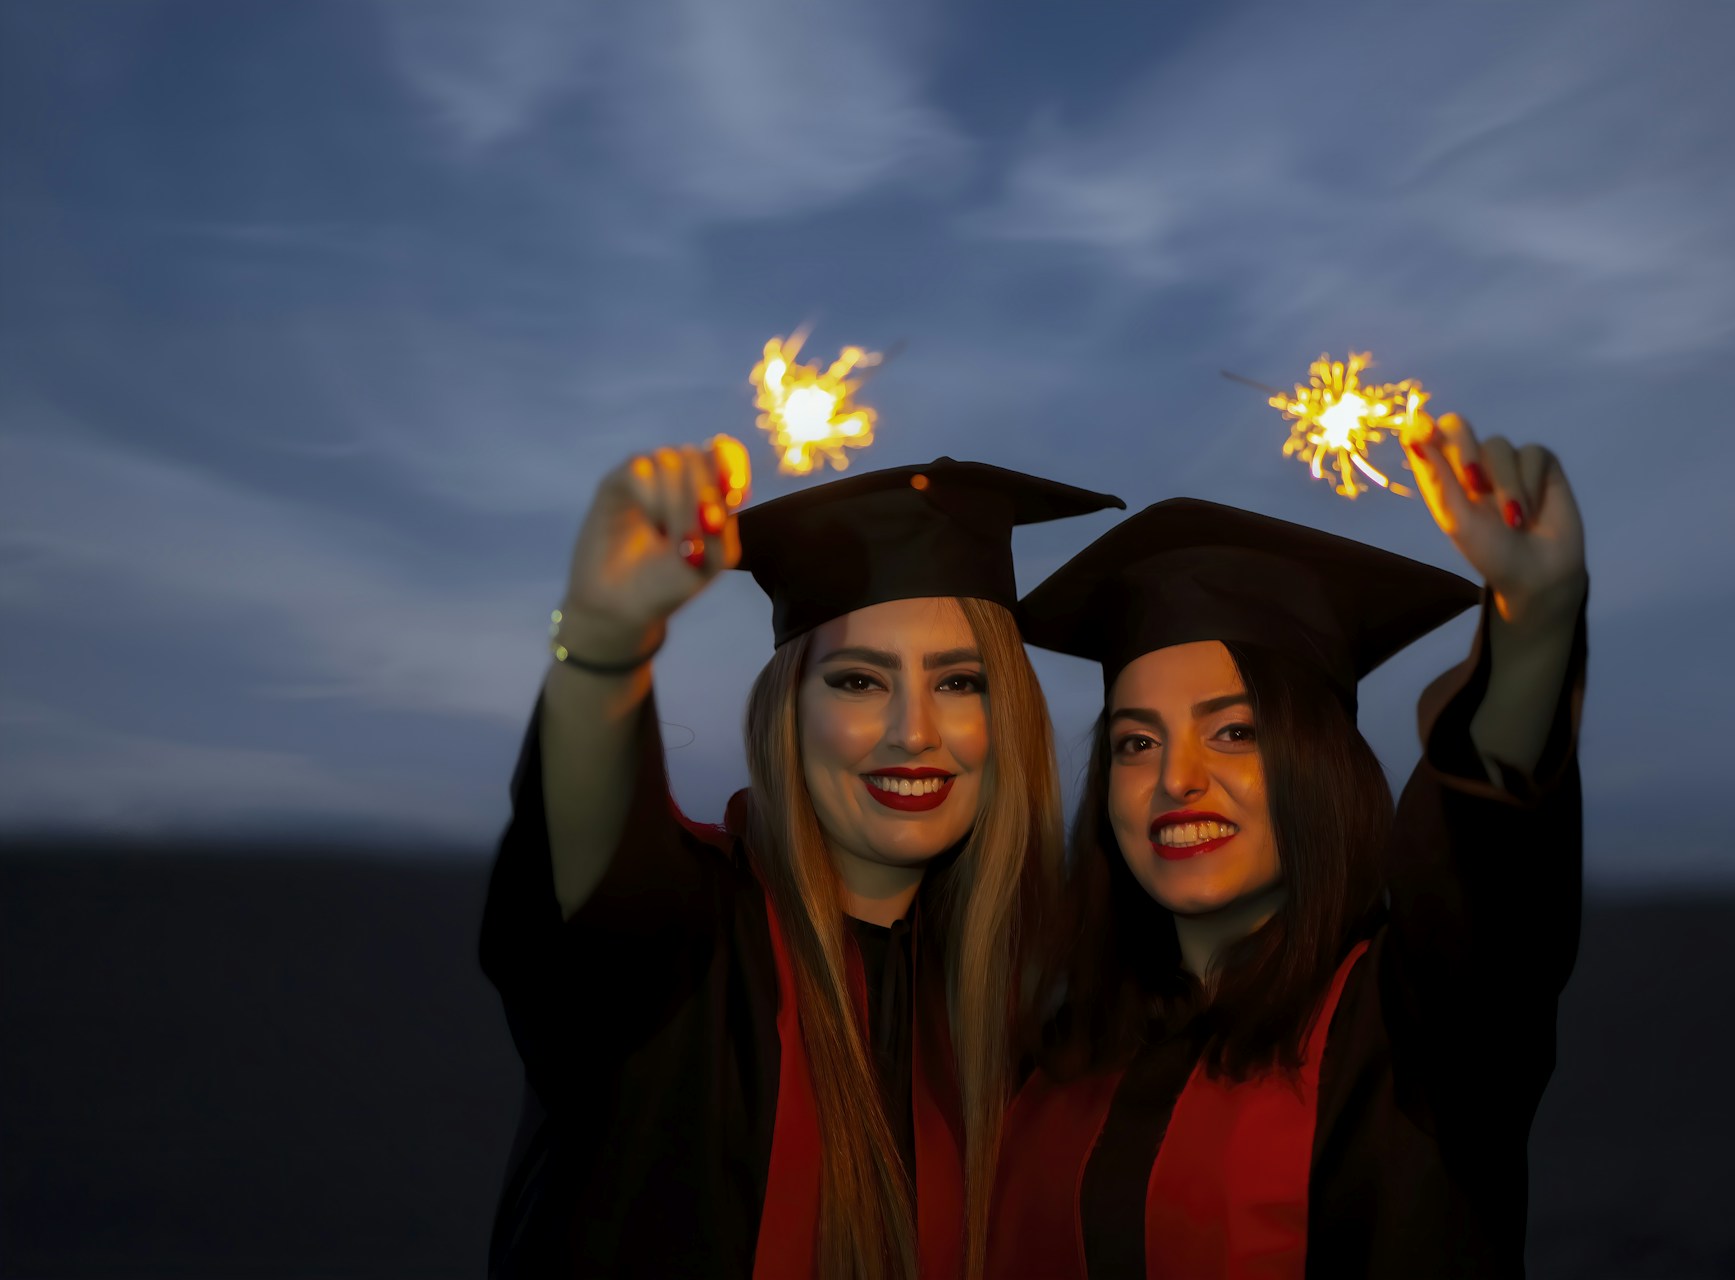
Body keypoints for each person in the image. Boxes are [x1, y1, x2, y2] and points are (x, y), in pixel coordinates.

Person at [479, 446, 1122, 1279]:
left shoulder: (1036, 1004)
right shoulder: (687, 945)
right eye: (859, 682)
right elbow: (588, 874)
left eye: (961, 683)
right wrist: (604, 646)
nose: (914, 733)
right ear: (790, 712)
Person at [990, 415, 1588, 1278]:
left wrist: (1532, 636)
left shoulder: (1420, 1029)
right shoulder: (1055, 1052)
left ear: (1317, 765)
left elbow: (1488, 868)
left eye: (1232, 732)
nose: (1175, 780)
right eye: (1135, 742)